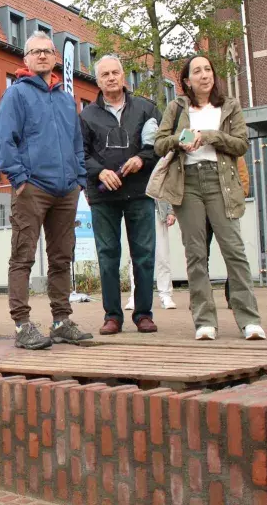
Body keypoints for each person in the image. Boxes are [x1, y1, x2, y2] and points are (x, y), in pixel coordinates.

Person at [153, 55, 265, 341]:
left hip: (221, 182)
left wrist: (211, 136)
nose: (205, 75)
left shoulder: (229, 106)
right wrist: (181, 138)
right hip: (187, 184)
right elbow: (158, 144)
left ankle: (249, 320)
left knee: (234, 251)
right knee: (196, 255)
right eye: (197, 71)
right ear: (187, 81)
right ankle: (205, 321)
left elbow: (241, 143)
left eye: (208, 69)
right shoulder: (177, 107)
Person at [0, 31, 92, 350]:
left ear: (54, 58)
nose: (41, 56)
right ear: (25, 59)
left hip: (66, 191)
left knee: (61, 257)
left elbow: (78, 144)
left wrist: (79, 178)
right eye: (34, 51)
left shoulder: (66, 99)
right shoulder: (16, 95)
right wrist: (19, 178)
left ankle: (62, 321)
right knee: (22, 256)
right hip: (32, 188)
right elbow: (5, 140)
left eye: (46, 51)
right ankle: (22, 324)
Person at [81, 55, 161, 336]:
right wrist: (100, 172)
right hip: (103, 197)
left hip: (139, 193)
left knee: (144, 255)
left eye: (115, 72)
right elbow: (80, 154)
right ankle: (112, 315)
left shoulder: (146, 109)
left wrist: (142, 158)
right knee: (107, 256)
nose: (111, 78)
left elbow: (159, 145)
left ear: (124, 76)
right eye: (105, 74)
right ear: (98, 80)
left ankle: (143, 314)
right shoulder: (86, 115)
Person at [203, 156, 249, 306]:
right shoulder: (189, 133)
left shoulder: (226, 138)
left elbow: (241, 169)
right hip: (200, 207)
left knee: (232, 252)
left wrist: (240, 194)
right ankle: (202, 295)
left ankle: (235, 296)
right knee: (200, 253)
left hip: (226, 205)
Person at [126, 200, 178, 311]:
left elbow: (167, 185)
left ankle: (165, 295)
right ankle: (134, 295)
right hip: (136, 207)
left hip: (158, 211)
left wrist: (171, 211)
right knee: (135, 255)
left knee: (162, 256)